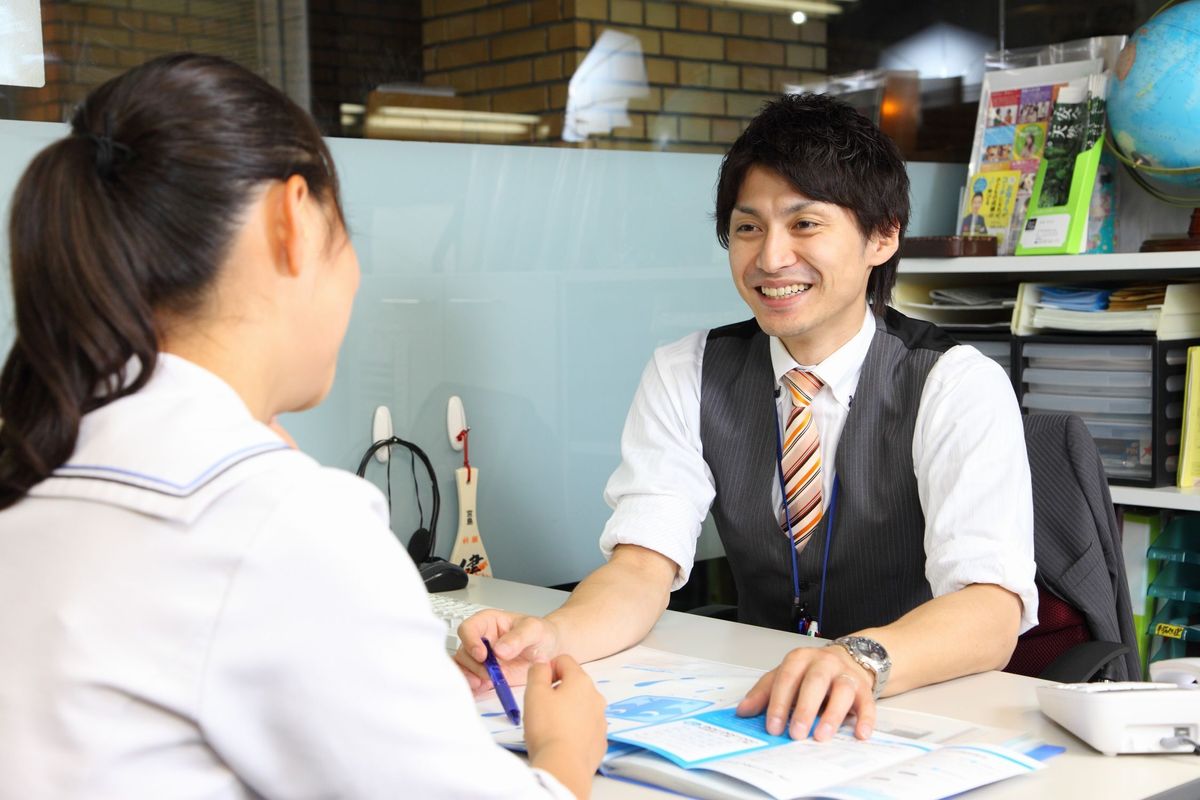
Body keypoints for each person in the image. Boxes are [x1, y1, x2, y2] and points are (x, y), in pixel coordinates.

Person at [0, 53, 606, 798]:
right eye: (347, 231)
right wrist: (565, 753)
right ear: (291, 218)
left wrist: (410, 690)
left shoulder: (46, 462)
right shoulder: (274, 520)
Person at [456, 93, 1037, 745]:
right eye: (748, 227)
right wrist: (549, 636)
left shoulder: (955, 383)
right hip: (763, 708)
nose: (770, 258)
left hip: (923, 711)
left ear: (883, 236)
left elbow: (991, 609)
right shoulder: (687, 373)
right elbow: (642, 567)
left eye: (805, 224)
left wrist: (861, 660)